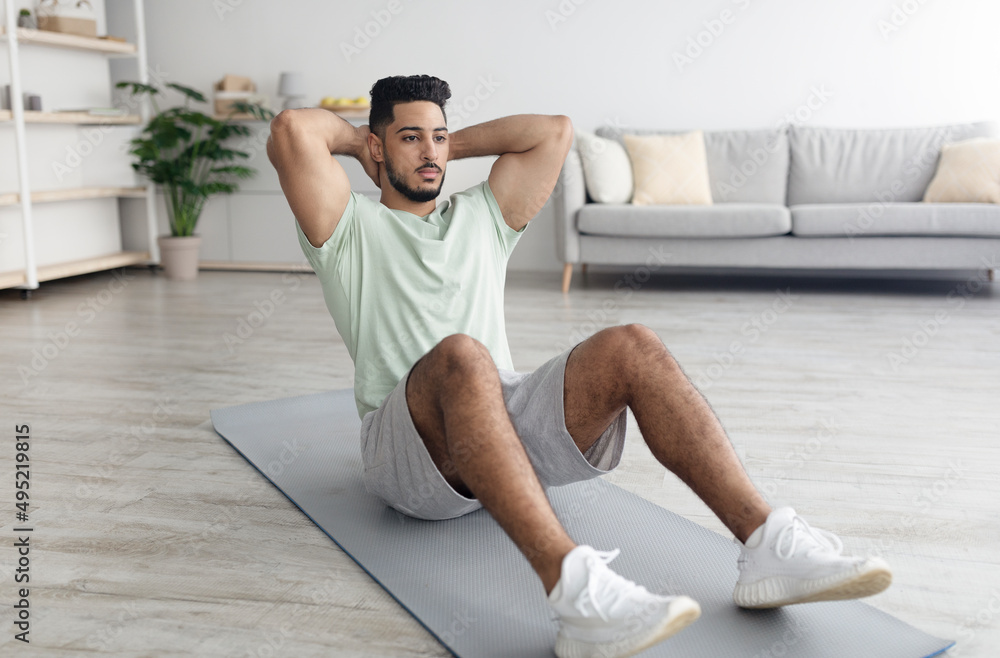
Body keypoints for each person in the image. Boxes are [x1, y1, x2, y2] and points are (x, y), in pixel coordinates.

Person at [266, 74, 892, 658]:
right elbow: (293, 130)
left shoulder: (480, 219)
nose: (430, 152)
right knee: (462, 355)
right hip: (407, 452)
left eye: (440, 135)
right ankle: (578, 600)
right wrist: (367, 146)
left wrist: (440, 147)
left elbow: (553, 131)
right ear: (377, 148)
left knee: (632, 343)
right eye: (411, 139)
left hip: (498, 422)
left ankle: (766, 545)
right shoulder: (349, 229)